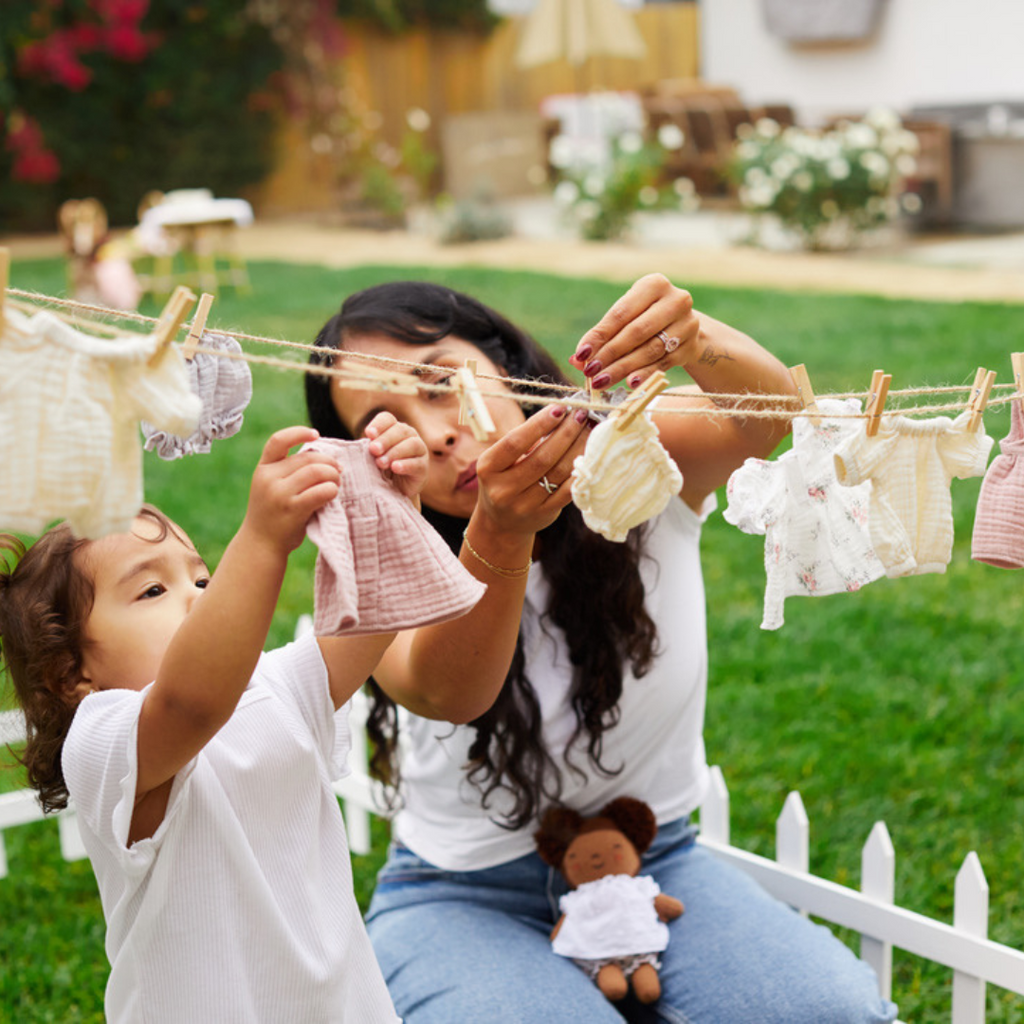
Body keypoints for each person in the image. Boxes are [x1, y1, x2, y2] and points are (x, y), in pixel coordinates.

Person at [305, 274, 899, 1023]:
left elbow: (766, 421)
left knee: (831, 1014)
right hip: (460, 892)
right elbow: (449, 693)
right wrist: (501, 530)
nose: (436, 432)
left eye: (439, 381)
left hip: (655, 859)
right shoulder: (375, 551)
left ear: (500, 358)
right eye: (383, 421)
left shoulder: (631, 451)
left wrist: (695, 339)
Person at [0, 420, 477, 1024]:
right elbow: (190, 702)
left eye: (201, 577)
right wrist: (261, 541)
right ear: (71, 674)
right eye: (152, 590)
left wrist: (390, 502)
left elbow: (377, 614)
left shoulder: (274, 686)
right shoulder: (102, 739)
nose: (201, 595)